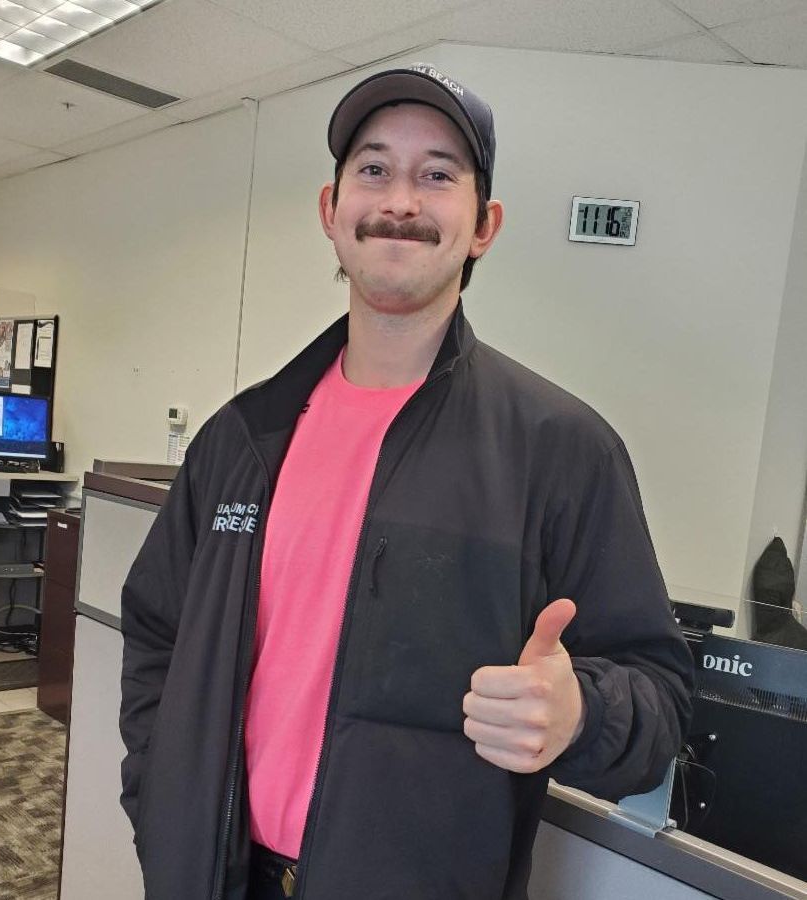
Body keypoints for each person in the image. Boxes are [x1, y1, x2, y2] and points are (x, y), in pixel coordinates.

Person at [119, 63, 694, 900]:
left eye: (437, 176)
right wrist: (159, 801)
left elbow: (662, 698)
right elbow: (156, 632)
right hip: (215, 878)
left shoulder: (561, 451)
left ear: (484, 225)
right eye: (374, 168)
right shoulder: (241, 438)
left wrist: (580, 713)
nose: (400, 201)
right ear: (331, 209)